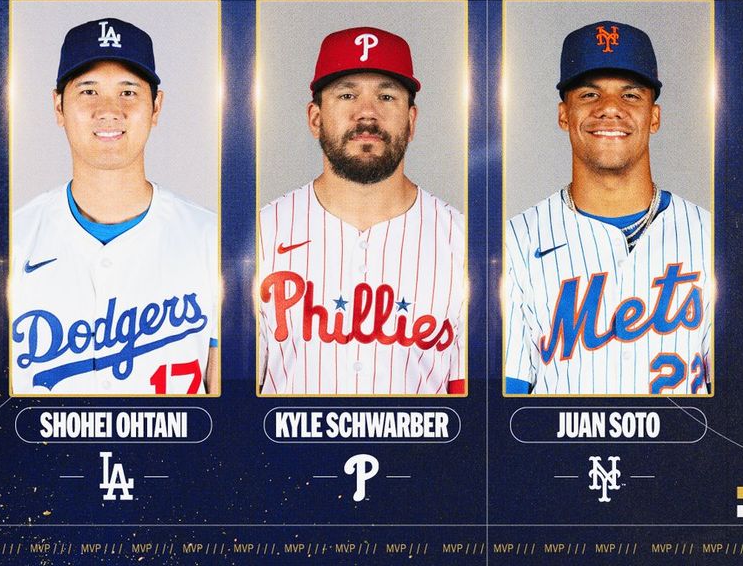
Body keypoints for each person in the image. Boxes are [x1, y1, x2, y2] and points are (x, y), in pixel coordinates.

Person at [10, 17, 219, 395]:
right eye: (88, 91)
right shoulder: (10, 242)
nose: (109, 110)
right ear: (58, 106)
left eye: (128, 92)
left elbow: (231, 413)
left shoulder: (212, 241)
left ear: (157, 106)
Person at [504, 20, 712, 396]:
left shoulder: (712, 237)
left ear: (655, 116)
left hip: (682, 452)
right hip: (558, 453)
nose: (610, 109)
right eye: (589, 94)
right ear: (564, 113)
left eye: (631, 95)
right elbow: (507, 409)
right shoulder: (515, 242)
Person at [258, 26, 466, 396]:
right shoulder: (260, 235)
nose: (366, 113)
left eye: (386, 96)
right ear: (315, 118)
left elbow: (469, 408)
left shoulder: (463, 244)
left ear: (412, 121)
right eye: (347, 94)